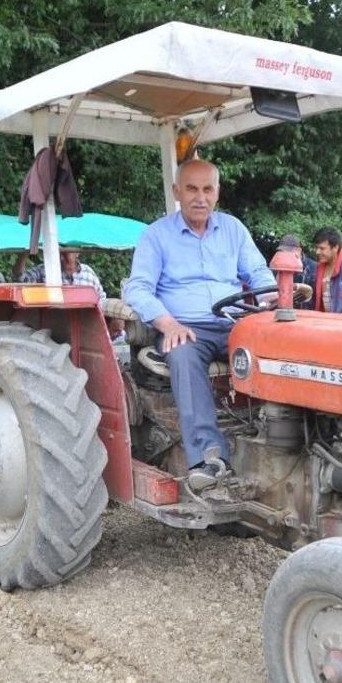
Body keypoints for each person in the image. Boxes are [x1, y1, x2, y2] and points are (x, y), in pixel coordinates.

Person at [124, 159, 275, 491]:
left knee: (284, 347)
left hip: (237, 322)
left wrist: (268, 299)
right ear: (177, 191)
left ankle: (283, 440)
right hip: (187, 327)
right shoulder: (157, 235)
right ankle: (209, 458)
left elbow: (259, 273)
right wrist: (168, 324)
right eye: (191, 189)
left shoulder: (233, 229)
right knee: (183, 353)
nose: (200, 197)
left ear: (217, 193)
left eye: (207, 189)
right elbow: (137, 288)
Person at [19, 249, 107, 306]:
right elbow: (20, 279)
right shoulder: (46, 269)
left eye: (69, 250)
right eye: (62, 251)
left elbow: (101, 298)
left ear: (77, 253)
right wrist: (24, 255)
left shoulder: (88, 272)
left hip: (84, 321)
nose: (64, 254)